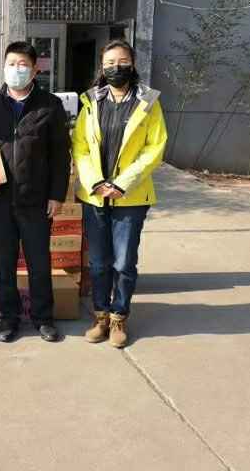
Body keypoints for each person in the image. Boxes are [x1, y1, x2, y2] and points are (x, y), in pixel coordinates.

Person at [0, 41, 71, 343]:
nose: (17, 69)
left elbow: (60, 155)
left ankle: (43, 318)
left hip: (36, 200)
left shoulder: (50, 105)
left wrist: (57, 195)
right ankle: (8, 318)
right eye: (12, 64)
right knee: (4, 263)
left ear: (35, 69)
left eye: (23, 64)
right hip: (0, 199)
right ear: (3, 67)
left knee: (39, 262)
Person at [72, 39, 167, 348]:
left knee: (124, 262)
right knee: (98, 262)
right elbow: (80, 146)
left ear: (133, 64)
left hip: (131, 195)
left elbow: (154, 148)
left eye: (122, 61)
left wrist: (122, 183)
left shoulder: (148, 102)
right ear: (102, 67)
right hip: (95, 195)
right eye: (110, 63)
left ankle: (119, 318)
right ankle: (100, 316)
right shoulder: (91, 101)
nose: (116, 67)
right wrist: (96, 182)